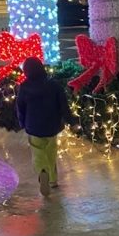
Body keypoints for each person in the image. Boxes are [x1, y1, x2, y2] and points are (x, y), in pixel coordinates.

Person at [16, 57, 76, 196]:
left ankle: (43, 171)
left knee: (38, 153)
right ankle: (53, 180)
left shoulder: (24, 87)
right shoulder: (54, 85)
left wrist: (22, 123)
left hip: (33, 126)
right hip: (52, 126)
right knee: (51, 152)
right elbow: (63, 105)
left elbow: (20, 107)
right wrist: (71, 122)